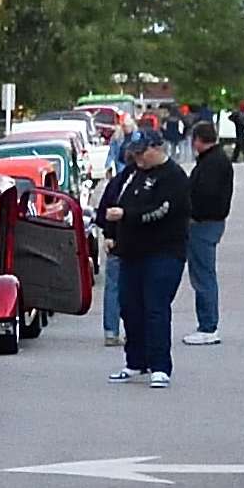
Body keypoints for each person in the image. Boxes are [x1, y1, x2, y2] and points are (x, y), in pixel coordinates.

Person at [99, 129, 193, 386]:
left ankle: (160, 366)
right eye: (134, 153)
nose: (138, 158)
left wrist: (127, 216)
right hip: (131, 252)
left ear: (156, 148)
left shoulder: (174, 177)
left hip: (163, 252)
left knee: (156, 308)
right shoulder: (132, 174)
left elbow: (161, 210)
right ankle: (135, 361)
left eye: (142, 153)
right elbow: (114, 200)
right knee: (130, 307)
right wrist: (110, 232)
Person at [179, 112, 235, 342]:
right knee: (203, 273)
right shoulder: (215, 160)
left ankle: (208, 327)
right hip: (209, 222)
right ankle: (207, 324)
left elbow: (206, 195)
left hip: (204, 223)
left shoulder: (212, 164)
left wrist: (191, 212)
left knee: (203, 275)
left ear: (199, 140)